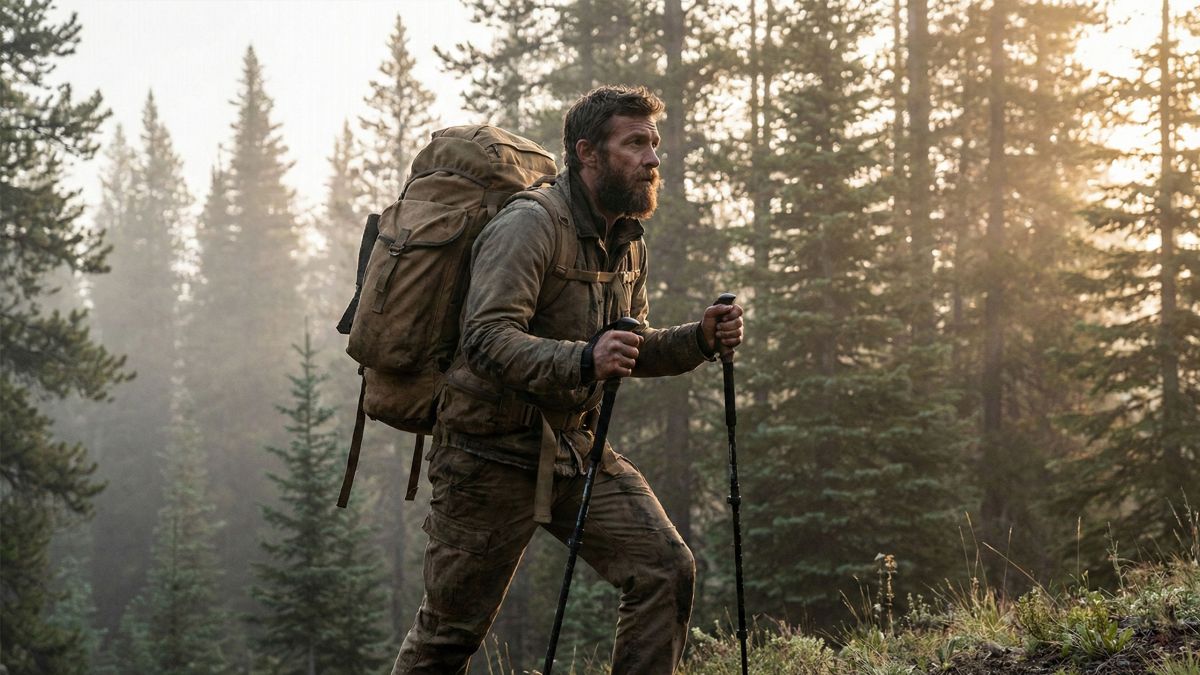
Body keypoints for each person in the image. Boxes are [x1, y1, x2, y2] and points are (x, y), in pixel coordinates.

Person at [390, 85, 745, 675]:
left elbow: (629, 345)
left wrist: (699, 339)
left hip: (571, 450)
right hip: (486, 457)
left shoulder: (626, 240)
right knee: (447, 637)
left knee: (663, 567)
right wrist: (584, 360)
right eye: (635, 144)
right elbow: (486, 337)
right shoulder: (528, 226)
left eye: (653, 144)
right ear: (588, 153)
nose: (653, 158)